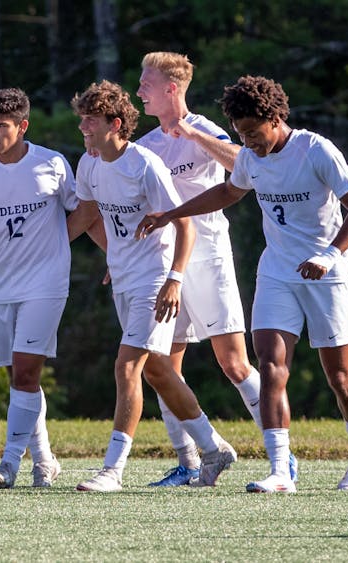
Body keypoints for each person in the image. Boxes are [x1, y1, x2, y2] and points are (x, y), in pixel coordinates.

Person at [137, 75, 348, 493]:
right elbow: (228, 192)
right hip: (277, 272)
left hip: (327, 272)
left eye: (254, 132)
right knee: (269, 365)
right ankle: (281, 470)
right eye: (241, 134)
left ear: (277, 118)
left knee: (339, 376)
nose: (248, 142)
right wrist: (170, 213)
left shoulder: (314, 150)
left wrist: (330, 253)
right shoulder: (250, 155)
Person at [134, 52, 297, 487]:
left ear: (171, 88)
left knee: (234, 363)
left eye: (145, 84)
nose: (138, 92)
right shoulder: (146, 147)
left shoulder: (206, 129)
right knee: (164, 366)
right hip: (165, 264)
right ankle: (192, 461)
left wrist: (191, 134)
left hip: (208, 256)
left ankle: (282, 456)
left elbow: (241, 165)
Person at [69, 80, 237, 492]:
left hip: (155, 278)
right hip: (125, 278)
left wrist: (175, 279)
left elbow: (185, 225)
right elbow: (87, 217)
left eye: (90, 121)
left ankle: (113, 470)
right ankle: (214, 448)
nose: (83, 129)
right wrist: (103, 253)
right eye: (82, 121)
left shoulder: (145, 164)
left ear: (116, 122)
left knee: (127, 366)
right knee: (159, 371)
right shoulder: (88, 164)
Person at [0, 88, 103, 488]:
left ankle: (9, 463)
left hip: (46, 283)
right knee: (19, 378)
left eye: (1, 126)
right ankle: (44, 458)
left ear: (22, 127)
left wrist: (64, 245)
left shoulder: (51, 163)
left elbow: (86, 209)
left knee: (25, 371)